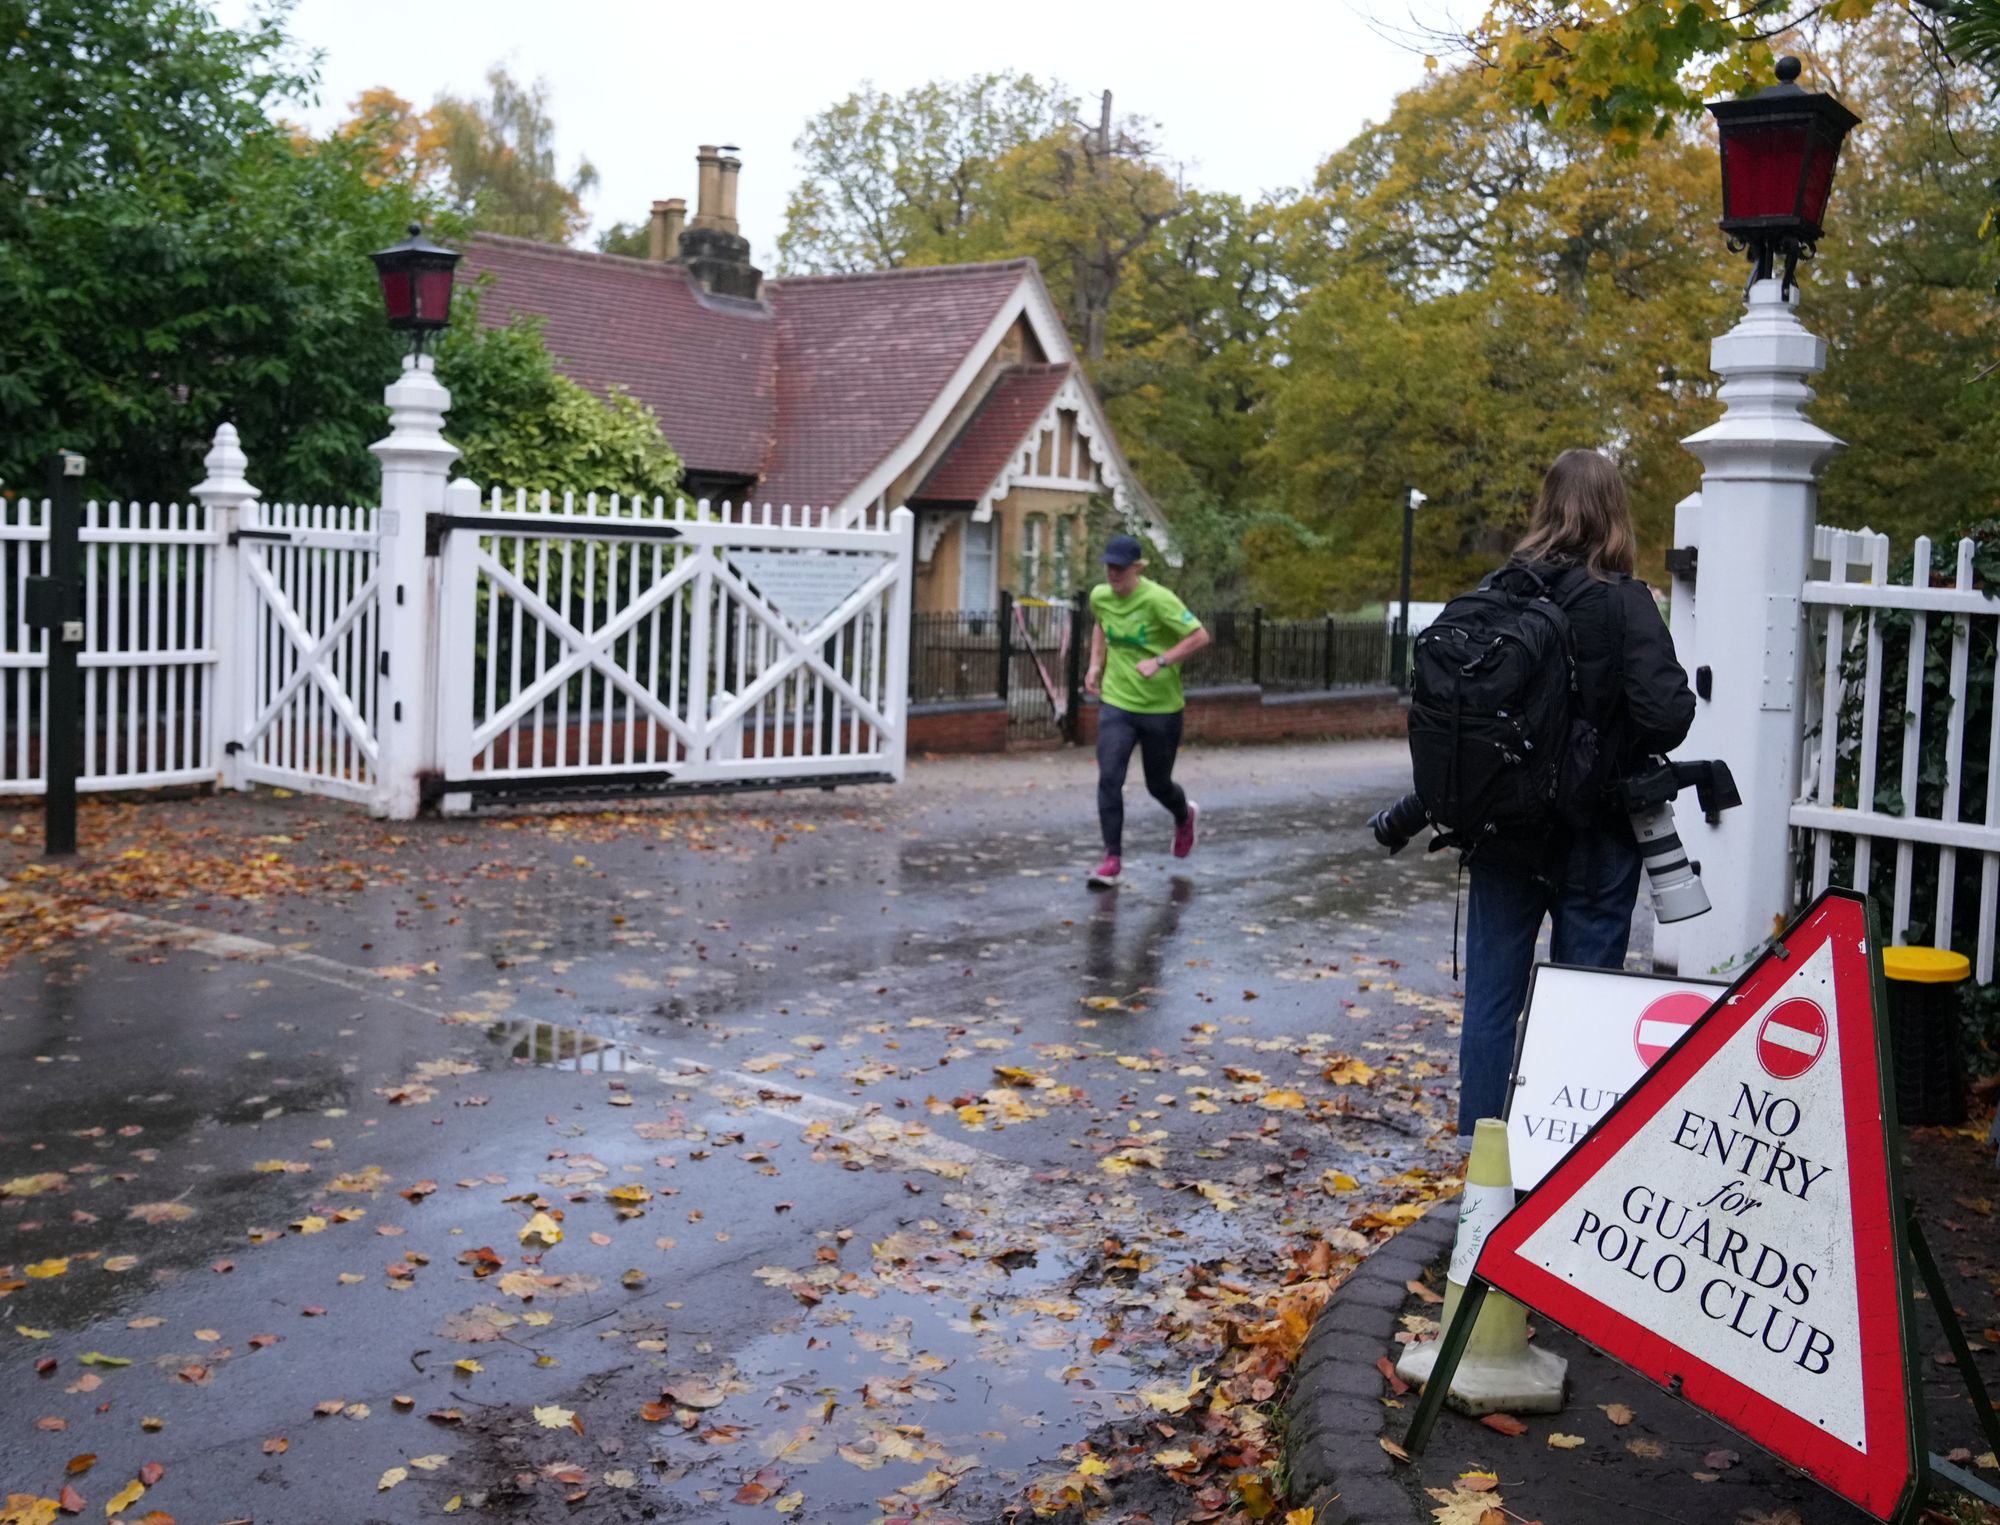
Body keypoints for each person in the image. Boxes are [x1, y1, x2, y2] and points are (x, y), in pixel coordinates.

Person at [1373, 449, 1695, 1134]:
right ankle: (1559, 1155)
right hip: (1597, 833)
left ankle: (1480, 1161)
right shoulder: (1624, 602)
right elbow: (1668, 715)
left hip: (1504, 829)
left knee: (1492, 1001)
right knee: (1581, 1003)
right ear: (1615, 514)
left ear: (1545, 507)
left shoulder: (1499, 590)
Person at [1083, 535, 1211, 888]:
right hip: (1117, 702)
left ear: (1137, 568)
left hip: (1161, 708)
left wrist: (1161, 661)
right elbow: (1101, 623)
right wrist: (1094, 665)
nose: (1113, 573)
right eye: (1109, 566)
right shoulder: (1100, 596)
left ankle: (1184, 815)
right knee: (1110, 777)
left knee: (1158, 785)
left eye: (1120, 568)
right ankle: (1112, 859)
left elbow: (1200, 636)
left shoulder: (1158, 599)